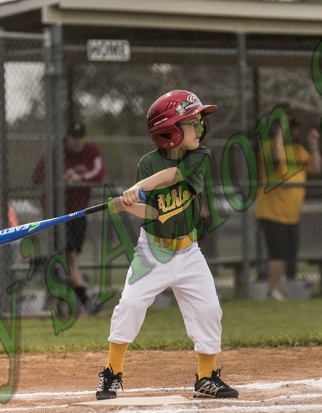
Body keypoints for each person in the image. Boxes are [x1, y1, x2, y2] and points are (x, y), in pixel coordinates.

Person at [96, 90, 238, 400]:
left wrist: (134, 189)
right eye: (192, 123)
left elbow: (172, 176)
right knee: (130, 305)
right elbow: (154, 213)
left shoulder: (200, 156)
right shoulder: (147, 163)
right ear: (170, 132)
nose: (200, 129)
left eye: (199, 123)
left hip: (189, 251)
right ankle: (111, 373)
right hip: (153, 251)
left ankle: (205, 379)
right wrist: (126, 205)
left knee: (209, 309)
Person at [32, 120, 105, 314]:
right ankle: (85, 300)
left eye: (80, 138)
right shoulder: (56, 153)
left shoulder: (91, 151)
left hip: (78, 213)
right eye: (74, 138)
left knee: (68, 259)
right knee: (69, 258)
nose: (77, 143)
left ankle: (66, 296)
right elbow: (37, 177)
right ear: (67, 138)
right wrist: (60, 181)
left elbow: (98, 173)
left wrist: (81, 179)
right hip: (56, 213)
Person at [255, 111, 322, 301]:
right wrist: (278, 135)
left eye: (294, 128)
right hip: (272, 212)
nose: (293, 131)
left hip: (291, 214)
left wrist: (313, 145)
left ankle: (284, 288)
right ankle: (273, 290)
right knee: (278, 252)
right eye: (288, 128)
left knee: (289, 253)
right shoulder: (268, 148)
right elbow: (277, 159)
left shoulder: (299, 151)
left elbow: (316, 168)